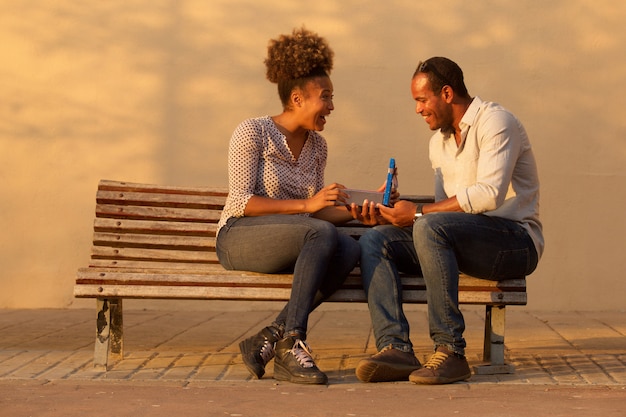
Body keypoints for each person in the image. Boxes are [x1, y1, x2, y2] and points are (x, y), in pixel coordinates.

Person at [350, 57, 544, 385]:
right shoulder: (438, 143)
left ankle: (451, 351)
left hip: (514, 242)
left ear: (448, 94)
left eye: (422, 100)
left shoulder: (496, 122)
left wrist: (419, 215)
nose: (418, 109)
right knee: (375, 240)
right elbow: (443, 212)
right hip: (464, 239)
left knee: (428, 224)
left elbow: (489, 195)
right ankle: (395, 347)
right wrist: (396, 213)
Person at [215, 27, 359, 385]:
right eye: (325, 97)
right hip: (238, 237)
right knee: (321, 232)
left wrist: (361, 210)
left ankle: (270, 338)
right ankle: (293, 342)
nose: (331, 106)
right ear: (297, 99)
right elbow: (240, 201)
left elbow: (315, 216)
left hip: (294, 237)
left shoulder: (317, 147)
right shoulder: (253, 132)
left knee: (348, 247)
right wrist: (309, 203)